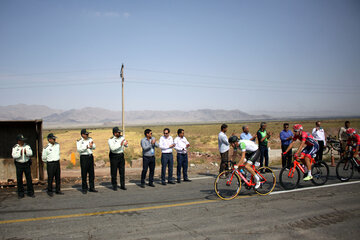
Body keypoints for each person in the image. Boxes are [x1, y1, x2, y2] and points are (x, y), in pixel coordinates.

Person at [12, 134, 34, 199]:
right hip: (19, 164)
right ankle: (20, 193)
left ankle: (30, 192)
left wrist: (26, 152)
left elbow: (31, 153)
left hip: (26, 164)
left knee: (29, 178)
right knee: (19, 179)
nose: (22, 142)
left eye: (23, 140)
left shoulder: (27, 146)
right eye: (21, 140)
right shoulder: (15, 147)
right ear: (18, 141)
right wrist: (20, 153)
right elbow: (14, 156)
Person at [76, 129, 97, 194]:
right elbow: (79, 150)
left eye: (88, 134)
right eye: (86, 134)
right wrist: (86, 147)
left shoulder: (90, 139)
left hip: (90, 157)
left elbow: (94, 147)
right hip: (84, 157)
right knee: (84, 173)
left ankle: (92, 187)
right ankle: (84, 188)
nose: (88, 135)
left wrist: (92, 146)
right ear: (82, 135)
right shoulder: (79, 141)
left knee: (91, 173)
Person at [108, 127, 128, 191]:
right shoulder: (110, 140)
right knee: (114, 171)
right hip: (114, 156)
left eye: (120, 132)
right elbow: (113, 148)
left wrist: (125, 144)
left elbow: (126, 145)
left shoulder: (122, 137)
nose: (120, 133)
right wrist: (120, 144)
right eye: (118, 132)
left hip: (121, 155)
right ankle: (114, 185)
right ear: (114, 133)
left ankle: (122, 185)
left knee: (122, 171)